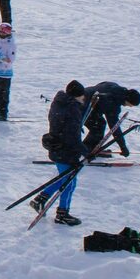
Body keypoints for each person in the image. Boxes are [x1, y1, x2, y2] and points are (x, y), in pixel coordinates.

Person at [30, 80, 87, 226]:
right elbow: (72, 136)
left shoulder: (59, 103)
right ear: (76, 96)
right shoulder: (72, 109)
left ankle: (40, 200)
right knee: (70, 183)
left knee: (64, 178)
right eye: (82, 96)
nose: (83, 99)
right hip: (66, 151)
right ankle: (62, 214)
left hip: (56, 148)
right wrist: (84, 152)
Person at [81, 82, 140, 155]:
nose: (129, 106)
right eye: (130, 105)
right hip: (83, 107)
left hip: (80, 98)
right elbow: (114, 127)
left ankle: (87, 148)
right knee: (98, 127)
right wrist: (123, 147)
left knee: (99, 124)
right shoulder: (113, 102)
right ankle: (86, 150)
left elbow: (101, 85)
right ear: (128, 100)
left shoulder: (114, 86)